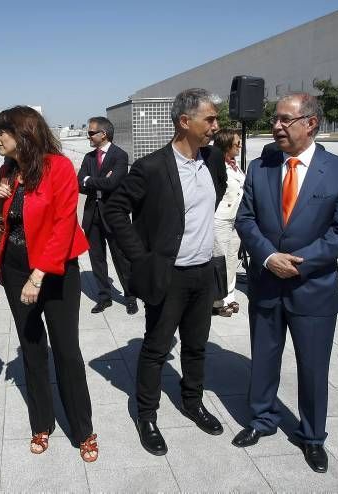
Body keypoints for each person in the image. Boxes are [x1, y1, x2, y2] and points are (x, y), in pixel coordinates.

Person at [233, 93, 338, 473]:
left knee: (313, 366)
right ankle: (261, 420)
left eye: (286, 120)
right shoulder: (260, 167)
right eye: (275, 118)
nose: (276, 126)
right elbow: (246, 219)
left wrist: (300, 265)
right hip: (266, 282)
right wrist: (269, 257)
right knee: (264, 358)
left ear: (311, 123)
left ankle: (312, 436)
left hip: (313, 289)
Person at [103, 88, 228, 456]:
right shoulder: (152, 167)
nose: (216, 126)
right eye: (210, 119)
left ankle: (192, 401)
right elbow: (114, 211)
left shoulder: (214, 158)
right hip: (168, 276)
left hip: (203, 273)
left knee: (195, 345)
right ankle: (146, 415)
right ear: (185, 122)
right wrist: (143, 257)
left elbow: (215, 195)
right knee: (157, 349)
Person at [0, 106, 98, 462]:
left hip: (56, 272)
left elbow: (64, 224)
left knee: (66, 351)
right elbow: (5, 219)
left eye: (2, 132)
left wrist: (39, 275)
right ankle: (41, 423)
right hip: (15, 271)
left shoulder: (58, 166)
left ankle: (82, 429)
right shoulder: (9, 168)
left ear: (22, 134)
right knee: (32, 349)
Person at [77, 116, 137, 315]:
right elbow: (79, 184)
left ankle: (130, 296)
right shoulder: (88, 157)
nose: (89, 136)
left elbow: (113, 184)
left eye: (91, 133)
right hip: (92, 215)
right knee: (97, 258)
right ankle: (104, 297)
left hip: (114, 215)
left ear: (104, 134)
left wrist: (90, 180)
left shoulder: (120, 156)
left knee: (121, 257)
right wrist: (99, 180)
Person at [211, 129, 245, 317]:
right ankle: (217, 300)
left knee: (232, 258)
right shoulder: (216, 165)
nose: (240, 146)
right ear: (226, 145)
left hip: (236, 218)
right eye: (237, 143)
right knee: (220, 260)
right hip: (220, 218)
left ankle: (229, 295)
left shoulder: (235, 165)